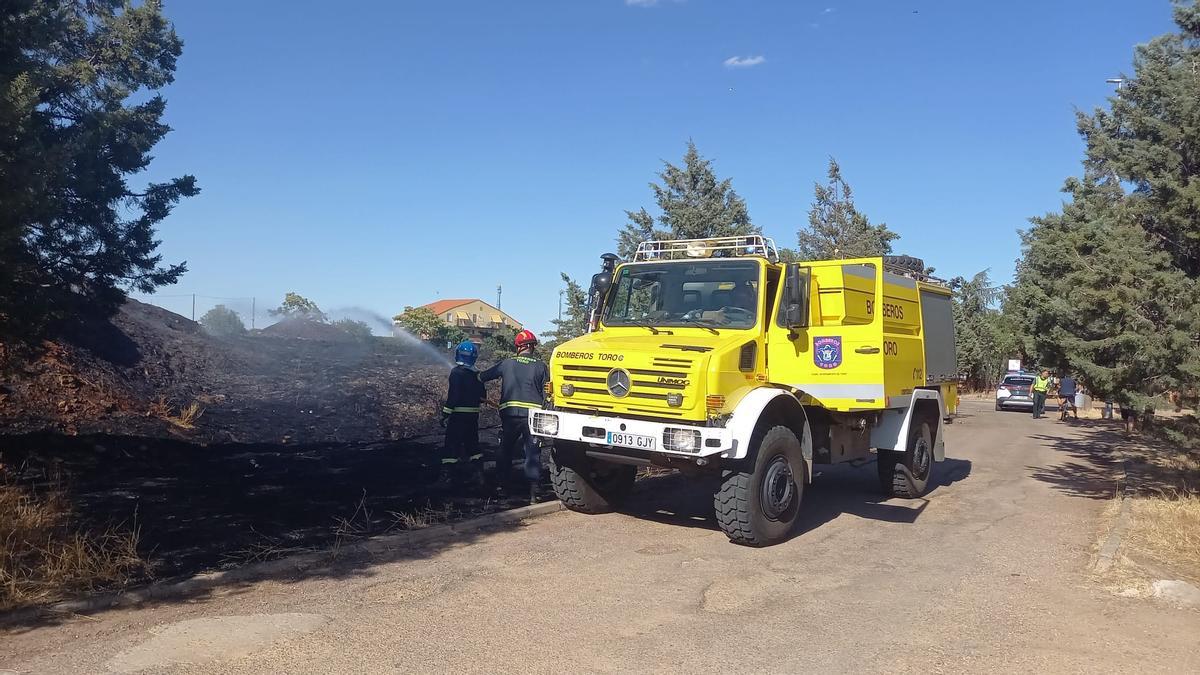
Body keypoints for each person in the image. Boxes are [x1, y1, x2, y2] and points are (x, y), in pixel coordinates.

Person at [479, 330, 549, 503]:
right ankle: (534, 492)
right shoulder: (541, 366)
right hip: (533, 417)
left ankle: (502, 488)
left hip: (510, 416)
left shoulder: (507, 364)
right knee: (532, 452)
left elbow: (482, 377)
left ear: (518, 347)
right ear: (532, 347)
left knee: (505, 450)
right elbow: (548, 394)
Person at [437, 341, 486, 487]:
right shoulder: (477, 374)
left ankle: (447, 477)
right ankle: (479, 475)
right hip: (473, 415)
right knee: (473, 444)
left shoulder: (456, 372)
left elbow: (454, 395)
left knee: (452, 444)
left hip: (458, 415)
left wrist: (445, 413)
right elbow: (483, 396)